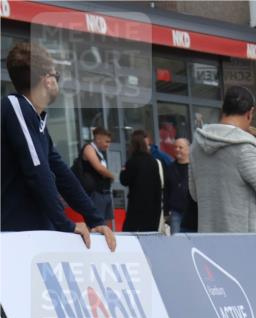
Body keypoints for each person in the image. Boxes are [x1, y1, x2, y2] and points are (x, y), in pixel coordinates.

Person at [1, 42, 115, 249]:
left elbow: (61, 173)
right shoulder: (15, 107)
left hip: (33, 232)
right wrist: (65, 223)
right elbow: (37, 171)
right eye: (57, 75)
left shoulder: (37, 121)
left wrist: (95, 219)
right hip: (15, 235)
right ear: (46, 79)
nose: (57, 81)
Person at [189, 86, 256, 233]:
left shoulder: (196, 146)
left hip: (209, 238)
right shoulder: (245, 147)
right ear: (250, 113)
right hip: (247, 241)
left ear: (223, 109)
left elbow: (194, 194)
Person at [119, 130, 163, 233]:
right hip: (152, 206)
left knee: (131, 234)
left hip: (136, 205)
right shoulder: (153, 161)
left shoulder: (132, 162)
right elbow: (158, 185)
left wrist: (122, 171)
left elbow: (124, 180)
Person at [78, 127, 116, 228]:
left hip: (104, 192)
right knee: (96, 225)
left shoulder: (99, 152)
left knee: (107, 225)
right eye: (106, 141)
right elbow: (99, 168)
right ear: (98, 138)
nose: (108, 145)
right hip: (95, 193)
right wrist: (112, 176)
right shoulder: (89, 148)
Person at [163, 137, 192, 234]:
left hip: (193, 212)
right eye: (175, 147)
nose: (177, 150)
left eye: (181, 147)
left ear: (188, 149)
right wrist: (166, 211)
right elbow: (166, 190)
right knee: (176, 239)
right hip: (176, 212)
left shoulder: (194, 168)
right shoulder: (170, 168)